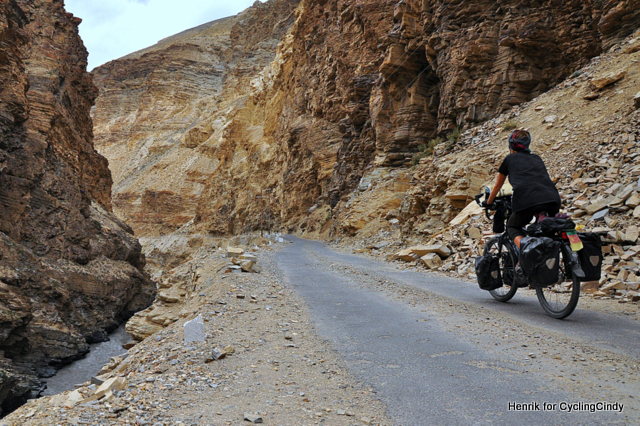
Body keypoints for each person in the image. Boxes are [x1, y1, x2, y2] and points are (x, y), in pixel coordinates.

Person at [484, 129, 561, 248]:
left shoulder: (509, 159)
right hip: (553, 199)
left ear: (510, 146)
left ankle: (528, 250)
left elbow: (497, 186)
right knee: (547, 228)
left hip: (527, 200)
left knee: (512, 227)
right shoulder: (536, 158)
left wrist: (488, 202)